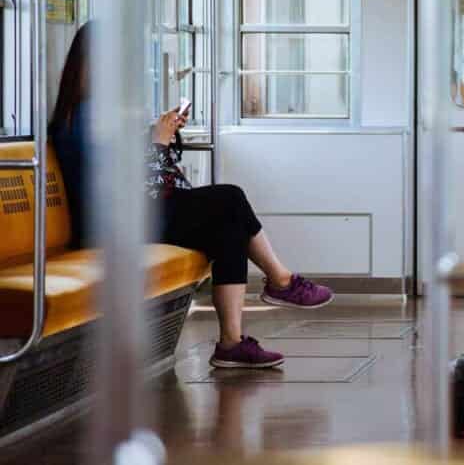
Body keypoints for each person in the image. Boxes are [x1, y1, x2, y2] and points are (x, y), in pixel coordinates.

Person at [49, 23, 333, 370]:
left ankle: (232, 342)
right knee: (229, 198)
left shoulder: (89, 112)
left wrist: (155, 134)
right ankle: (281, 281)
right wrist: (156, 141)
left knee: (228, 229)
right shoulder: (87, 116)